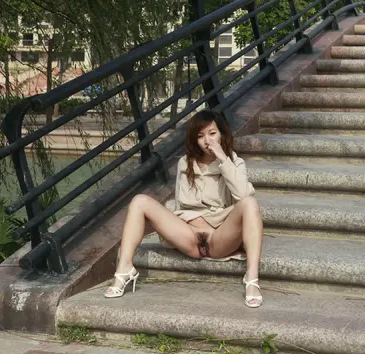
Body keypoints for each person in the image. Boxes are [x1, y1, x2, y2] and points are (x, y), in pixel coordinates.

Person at [104, 110, 263, 308]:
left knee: (250, 203)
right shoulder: (185, 164)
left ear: (222, 134)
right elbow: (180, 205)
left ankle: (251, 279)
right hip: (187, 237)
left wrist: (223, 159)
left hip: (219, 238)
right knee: (139, 201)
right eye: (200, 136)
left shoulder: (234, 163)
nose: (207, 141)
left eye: (212, 133)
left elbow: (243, 195)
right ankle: (124, 269)